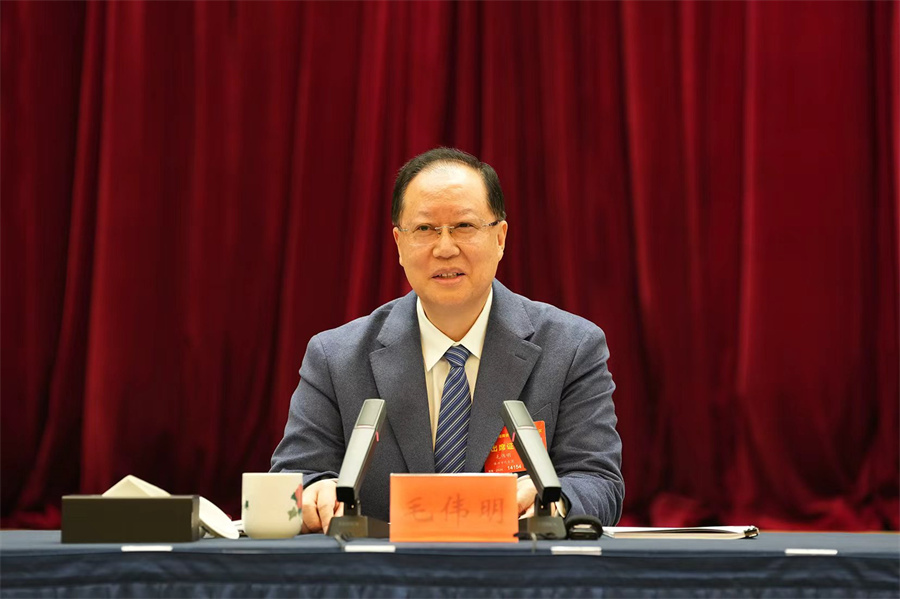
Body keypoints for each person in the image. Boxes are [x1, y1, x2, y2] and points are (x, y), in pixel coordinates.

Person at [271, 147, 624, 534]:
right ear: (399, 244)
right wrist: (313, 491)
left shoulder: (572, 348)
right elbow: (293, 477)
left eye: (464, 226)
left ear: (501, 237)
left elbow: (598, 481)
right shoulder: (335, 358)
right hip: (380, 567)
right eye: (425, 229)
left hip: (519, 564)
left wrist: (555, 500)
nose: (444, 248)